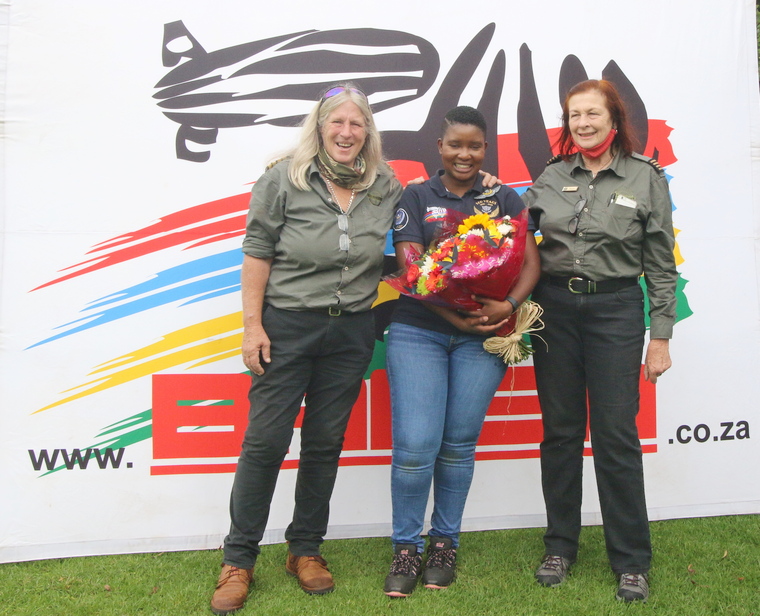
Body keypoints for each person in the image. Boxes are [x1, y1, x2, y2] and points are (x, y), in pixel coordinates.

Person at [210, 85, 403, 615]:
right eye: (337, 122)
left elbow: (424, 217)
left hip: (350, 333)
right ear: (319, 126)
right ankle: (238, 559)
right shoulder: (283, 178)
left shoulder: (385, 184)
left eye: (357, 123)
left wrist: (486, 187)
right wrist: (253, 327)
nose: (346, 132)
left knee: (324, 443)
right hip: (287, 328)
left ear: (368, 131)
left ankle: (305, 549)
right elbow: (257, 252)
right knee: (265, 443)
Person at [521, 79, 678, 603]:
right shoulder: (550, 176)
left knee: (615, 436)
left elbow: (661, 266)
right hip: (555, 312)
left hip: (615, 311)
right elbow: (513, 235)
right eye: (574, 115)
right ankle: (559, 547)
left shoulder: (645, 177)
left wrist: (660, 336)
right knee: (561, 433)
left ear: (614, 119)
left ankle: (631, 560)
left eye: (592, 114)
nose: (583, 123)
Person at [383, 106, 540, 597]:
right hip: (419, 331)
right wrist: (456, 316)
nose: (464, 154)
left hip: (483, 337)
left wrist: (508, 305)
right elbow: (412, 267)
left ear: (486, 149)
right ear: (440, 147)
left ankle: (444, 543)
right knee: (415, 446)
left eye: (474, 146)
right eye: (455, 144)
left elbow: (530, 262)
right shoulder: (416, 195)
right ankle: (406, 547)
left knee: (457, 445)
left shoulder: (502, 197)